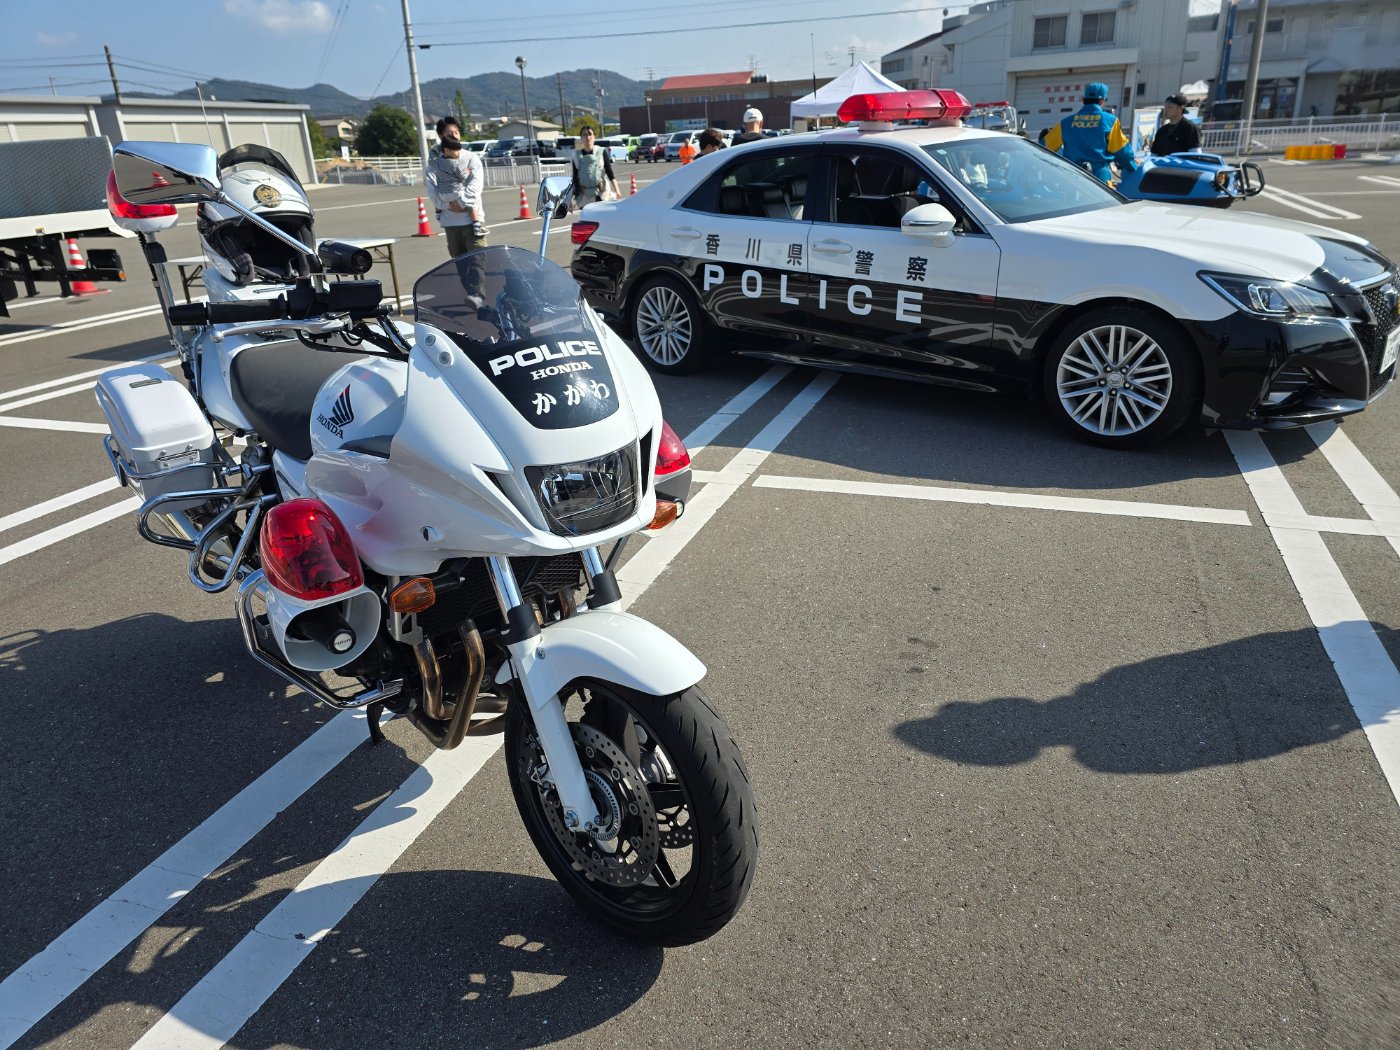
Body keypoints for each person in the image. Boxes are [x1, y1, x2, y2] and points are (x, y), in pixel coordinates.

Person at [1042, 83, 1137, 183]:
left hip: (1071, 179)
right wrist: (1133, 167)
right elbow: (1122, 151)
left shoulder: (1065, 123)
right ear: (1102, 101)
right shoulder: (1110, 121)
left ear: (1083, 100)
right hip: (1099, 179)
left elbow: (1044, 147)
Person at [425, 116, 486, 259]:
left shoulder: (471, 157)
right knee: (458, 263)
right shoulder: (434, 162)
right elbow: (431, 189)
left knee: (478, 263)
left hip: (472, 222)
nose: (454, 136)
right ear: (441, 136)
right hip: (450, 223)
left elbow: (476, 186)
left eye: (456, 132)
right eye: (449, 133)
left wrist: (460, 203)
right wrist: (447, 206)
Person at [570, 126, 620, 207]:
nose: (588, 137)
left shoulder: (601, 151)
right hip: (584, 194)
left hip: (601, 192)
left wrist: (617, 190)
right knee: (587, 214)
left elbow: (609, 172)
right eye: (584, 135)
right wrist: (572, 195)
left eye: (590, 134)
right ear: (581, 138)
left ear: (594, 136)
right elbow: (575, 177)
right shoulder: (576, 155)